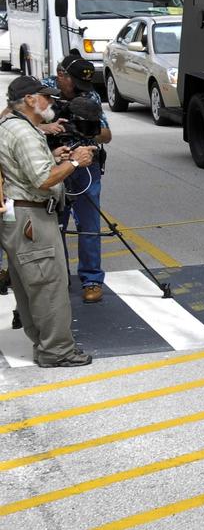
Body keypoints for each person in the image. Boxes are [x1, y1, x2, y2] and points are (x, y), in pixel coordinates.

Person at [0, 76, 95, 367]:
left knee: (30, 285)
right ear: (29, 100)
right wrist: (75, 162)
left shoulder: (10, 125)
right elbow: (42, 180)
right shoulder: (26, 133)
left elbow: (23, 167)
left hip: (18, 217)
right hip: (32, 217)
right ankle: (57, 351)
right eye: (46, 97)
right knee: (49, 284)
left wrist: (53, 157)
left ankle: (44, 345)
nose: (51, 102)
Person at [43, 54, 109, 304]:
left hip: (84, 166)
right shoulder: (42, 92)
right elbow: (13, 121)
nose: (81, 90)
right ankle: (58, 277)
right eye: (76, 84)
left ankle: (92, 279)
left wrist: (87, 129)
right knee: (53, 224)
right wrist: (46, 128)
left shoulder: (89, 95)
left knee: (89, 224)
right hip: (53, 164)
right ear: (61, 76)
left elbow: (107, 135)